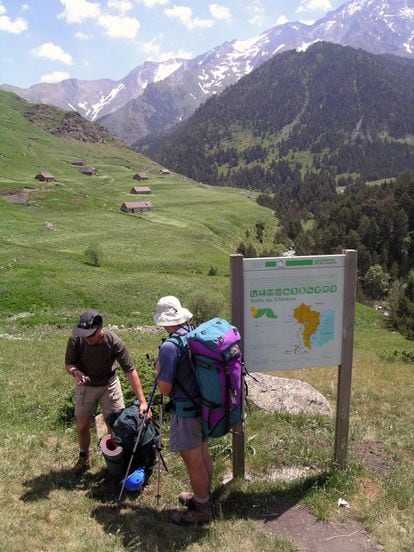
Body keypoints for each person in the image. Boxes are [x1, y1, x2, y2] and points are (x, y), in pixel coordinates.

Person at [154, 296, 213, 525]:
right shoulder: (194, 335)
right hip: (205, 407)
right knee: (203, 455)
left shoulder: (169, 347)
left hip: (186, 411)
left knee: (194, 462)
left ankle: (203, 511)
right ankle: (203, 498)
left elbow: (165, 389)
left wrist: (159, 370)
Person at [65, 309, 148, 473]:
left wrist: (142, 401)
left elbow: (130, 370)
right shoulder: (76, 339)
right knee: (82, 426)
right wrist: (75, 372)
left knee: (115, 425)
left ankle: (112, 462)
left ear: (100, 328)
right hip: (85, 385)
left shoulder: (113, 341)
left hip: (109, 384)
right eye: (84, 334)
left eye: (91, 334)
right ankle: (84, 457)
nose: (87, 338)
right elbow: (69, 364)